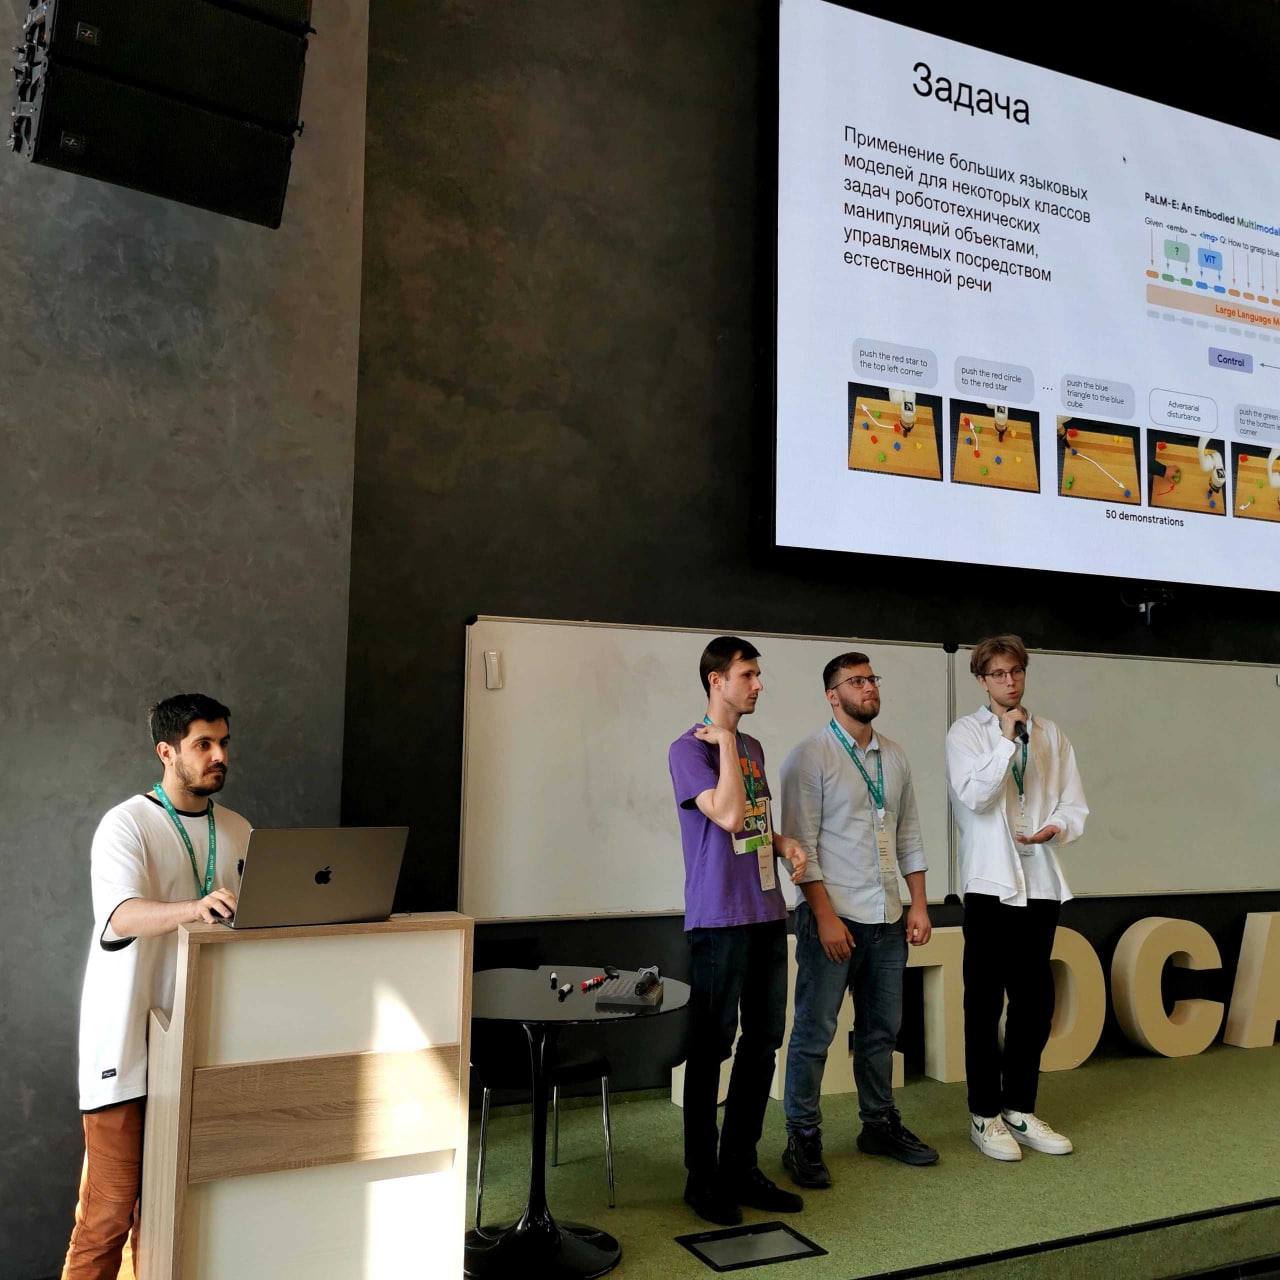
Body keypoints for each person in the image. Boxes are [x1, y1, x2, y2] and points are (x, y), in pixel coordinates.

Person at [62, 694, 250, 1279]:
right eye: (203, 744)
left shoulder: (238, 830)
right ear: (166, 752)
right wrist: (194, 907)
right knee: (108, 1215)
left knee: (174, 1214)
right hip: (126, 1047)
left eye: (224, 743)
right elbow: (119, 916)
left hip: (201, 1047)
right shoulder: (125, 824)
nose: (219, 756)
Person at [779, 651, 937, 1189]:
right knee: (815, 1033)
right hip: (834, 917)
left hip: (887, 918)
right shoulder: (810, 757)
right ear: (832, 695)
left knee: (880, 1032)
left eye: (872, 679)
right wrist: (824, 917)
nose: (868, 687)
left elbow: (908, 835)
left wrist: (918, 904)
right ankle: (802, 1135)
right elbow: (800, 848)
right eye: (855, 681)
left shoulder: (894, 756)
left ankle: (878, 1125)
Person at [668, 637, 808, 1226]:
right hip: (718, 918)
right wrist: (724, 741)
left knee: (764, 1039)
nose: (758, 685)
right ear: (716, 680)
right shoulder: (689, 749)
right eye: (747, 675)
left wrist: (783, 842)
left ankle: (740, 1166)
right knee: (711, 1048)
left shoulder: (752, 747)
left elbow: (751, 823)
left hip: (766, 912)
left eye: (757, 675)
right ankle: (702, 1178)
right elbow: (725, 813)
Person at [946, 637, 1088, 1162]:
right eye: (999, 674)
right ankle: (984, 1115)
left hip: (1041, 882)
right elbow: (975, 797)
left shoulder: (1051, 733)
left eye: (1016, 672)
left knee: (1035, 1003)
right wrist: (1006, 741)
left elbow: (1074, 804)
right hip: (991, 884)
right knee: (984, 1004)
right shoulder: (966, 733)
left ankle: (1019, 1108)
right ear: (982, 680)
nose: (1010, 682)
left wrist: (1057, 827)